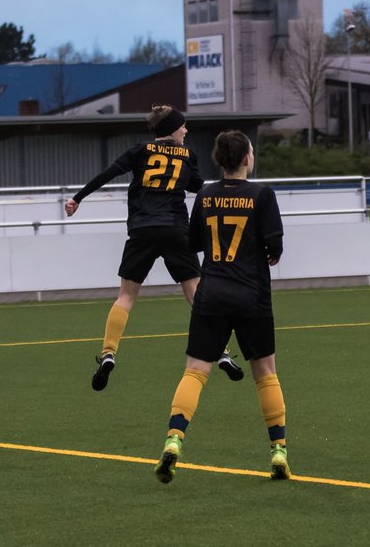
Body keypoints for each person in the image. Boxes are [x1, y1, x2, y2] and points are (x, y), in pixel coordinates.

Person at [65, 105, 242, 390]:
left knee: (126, 296)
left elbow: (109, 173)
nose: (186, 130)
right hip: (176, 230)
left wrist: (78, 198)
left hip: (143, 229)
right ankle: (219, 350)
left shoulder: (140, 151)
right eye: (183, 126)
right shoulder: (188, 155)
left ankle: (109, 353)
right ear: (172, 129)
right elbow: (199, 186)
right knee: (196, 294)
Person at [155, 130, 290, 483]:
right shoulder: (262, 195)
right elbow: (274, 247)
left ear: (220, 160)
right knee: (266, 373)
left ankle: (173, 440)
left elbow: (193, 242)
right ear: (247, 157)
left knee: (195, 372)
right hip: (252, 296)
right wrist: (264, 252)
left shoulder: (206, 194)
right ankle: (278, 451)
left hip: (211, 293)